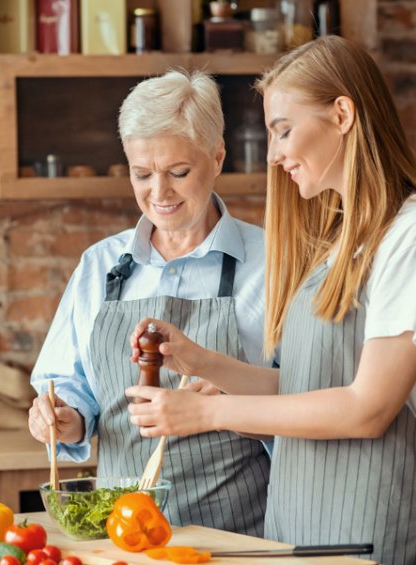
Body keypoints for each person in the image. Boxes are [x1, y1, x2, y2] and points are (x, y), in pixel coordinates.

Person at [125, 36, 416, 565]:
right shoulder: (339, 240)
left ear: (342, 114)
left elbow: (367, 408)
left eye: (283, 131)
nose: (274, 155)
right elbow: (312, 387)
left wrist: (209, 411)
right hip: (298, 528)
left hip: (376, 528)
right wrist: (197, 359)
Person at [27, 69, 271, 536]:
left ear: (217, 156)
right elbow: (68, 385)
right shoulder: (100, 266)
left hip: (238, 537)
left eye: (179, 172)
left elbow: (308, 393)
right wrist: (63, 419)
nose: (159, 193)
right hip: (124, 538)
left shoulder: (271, 264)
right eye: (142, 174)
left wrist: (233, 392)